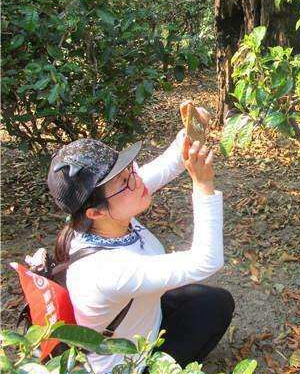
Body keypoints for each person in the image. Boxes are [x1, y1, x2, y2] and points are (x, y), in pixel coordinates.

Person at [46, 103, 234, 373]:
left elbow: (168, 164)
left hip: (144, 320)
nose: (137, 180)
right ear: (95, 211)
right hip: (128, 363)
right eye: (124, 181)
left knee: (214, 302)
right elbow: (206, 261)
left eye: (129, 170)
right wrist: (203, 185)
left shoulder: (103, 216)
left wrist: (191, 132)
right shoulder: (104, 271)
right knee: (209, 308)